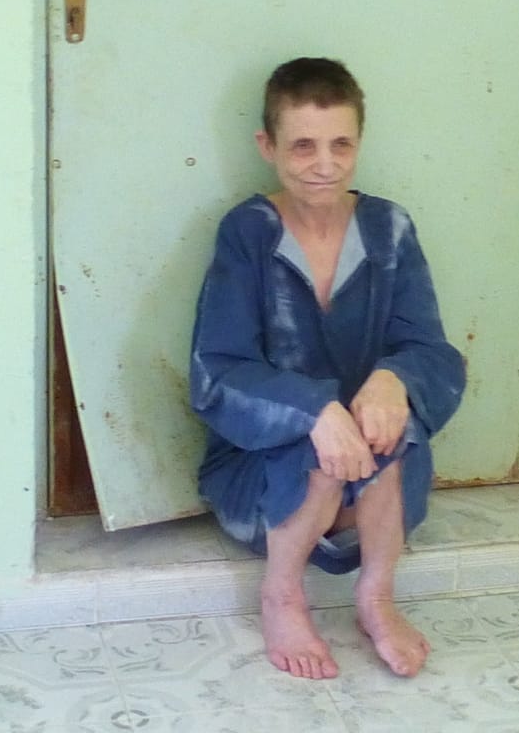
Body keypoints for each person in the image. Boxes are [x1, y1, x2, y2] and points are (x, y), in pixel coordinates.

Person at [189, 57, 465, 680]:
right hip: (267, 479)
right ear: (267, 146)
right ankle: (282, 595)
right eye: (303, 146)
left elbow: (432, 350)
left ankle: (376, 596)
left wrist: (395, 380)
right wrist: (314, 411)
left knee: (394, 425)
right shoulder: (247, 233)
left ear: (359, 142)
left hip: (374, 477)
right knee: (320, 448)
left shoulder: (390, 229)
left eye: (341, 144)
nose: (325, 164)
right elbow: (217, 372)